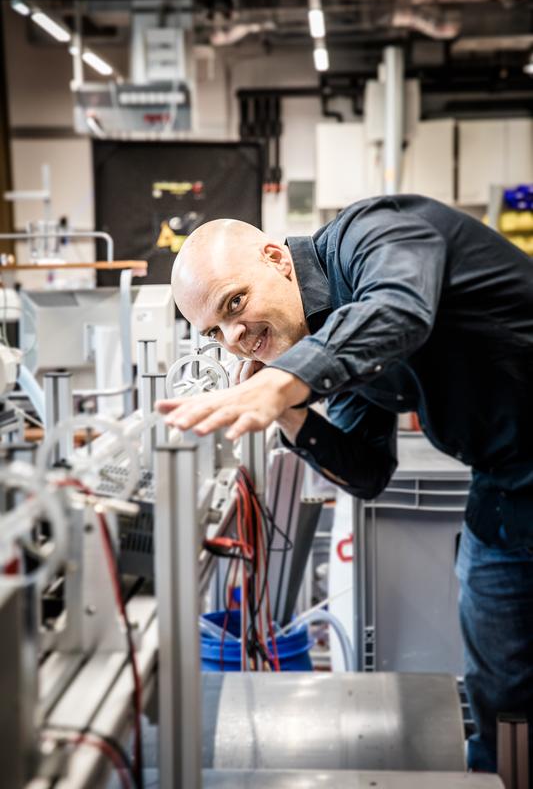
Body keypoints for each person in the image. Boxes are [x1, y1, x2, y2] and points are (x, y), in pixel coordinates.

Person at [156, 195, 533, 779]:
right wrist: (287, 412)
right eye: (216, 331)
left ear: (277, 259)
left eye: (236, 303)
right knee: (503, 689)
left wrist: (281, 383)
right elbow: (366, 471)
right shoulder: (329, 342)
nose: (234, 335)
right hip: (506, 489)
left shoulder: (373, 235)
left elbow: (401, 311)